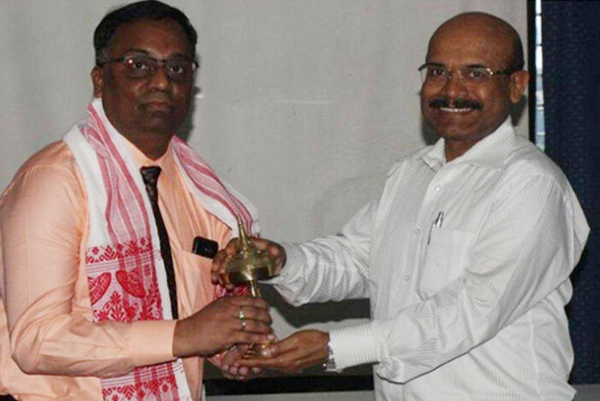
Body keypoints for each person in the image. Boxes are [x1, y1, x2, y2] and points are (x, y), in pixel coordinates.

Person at [212, 12, 590, 401]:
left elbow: (471, 310)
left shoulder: (531, 184)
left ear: (516, 86)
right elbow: (359, 259)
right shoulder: (412, 174)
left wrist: (334, 348)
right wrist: (281, 261)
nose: (451, 90)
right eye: (438, 71)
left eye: (475, 73)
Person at [0, 1, 273, 400]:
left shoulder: (206, 195)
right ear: (99, 79)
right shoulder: (54, 180)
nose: (162, 82)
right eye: (139, 65)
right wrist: (183, 335)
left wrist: (229, 347)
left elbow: (189, 320)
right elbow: (37, 340)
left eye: (177, 68)